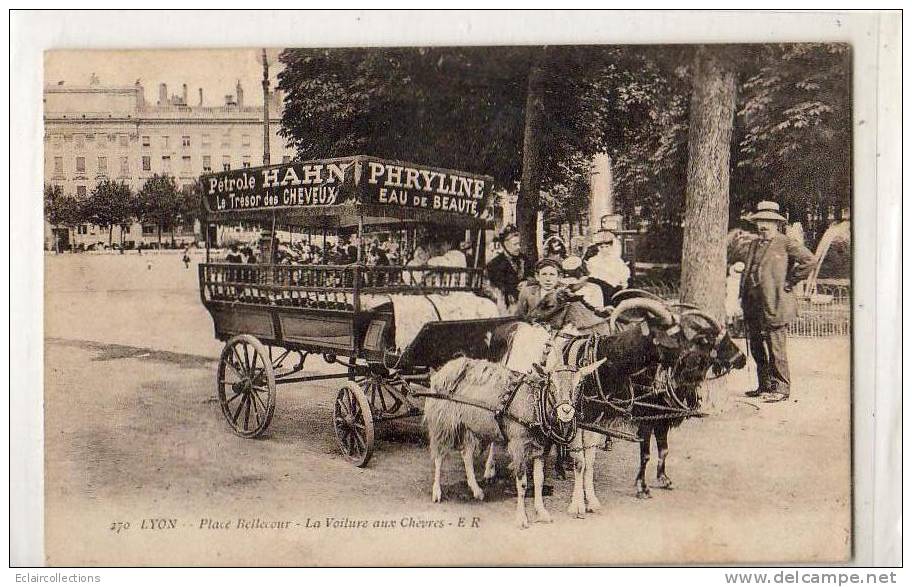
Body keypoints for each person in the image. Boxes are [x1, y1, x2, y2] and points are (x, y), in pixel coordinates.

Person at [729, 201, 816, 403]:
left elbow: (809, 260)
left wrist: (790, 280)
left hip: (775, 303)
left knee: (776, 347)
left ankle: (782, 389)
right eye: (760, 221)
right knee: (757, 347)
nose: (763, 226)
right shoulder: (754, 244)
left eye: (768, 221)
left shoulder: (785, 243)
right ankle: (764, 385)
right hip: (752, 304)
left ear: (777, 224)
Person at [485, 225, 532, 314]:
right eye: (515, 244)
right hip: (505, 306)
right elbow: (496, 288)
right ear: (505, 244)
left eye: (519, 244)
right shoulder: (495, 264)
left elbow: (533, 275)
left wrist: (527, 282)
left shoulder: (524, 259)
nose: (518, 247)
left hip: (526, 303)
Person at [584, 229, 630, 304]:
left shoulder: (616, 260)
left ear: (611, 247)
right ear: (598, 247)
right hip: (596, 287)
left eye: (607, 247)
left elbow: (623, 275)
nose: (604, 249)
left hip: (612, 287)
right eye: (601, 247)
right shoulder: (593, 260)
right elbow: (591, 275)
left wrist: (623, 282)